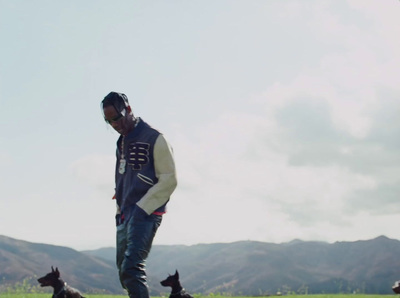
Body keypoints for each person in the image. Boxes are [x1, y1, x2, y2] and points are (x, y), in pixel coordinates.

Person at [101, 91, 177, 298]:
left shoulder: (155, 138)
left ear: (129, 110)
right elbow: (125, 173)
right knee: (123, 272)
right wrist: (120, 197)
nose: (115, 124)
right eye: (109, 122)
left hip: (146, 213)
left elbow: (169, 179)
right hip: (124, 213)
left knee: (131, 268)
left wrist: (142, 207)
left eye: (117, 118)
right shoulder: (121, 141)